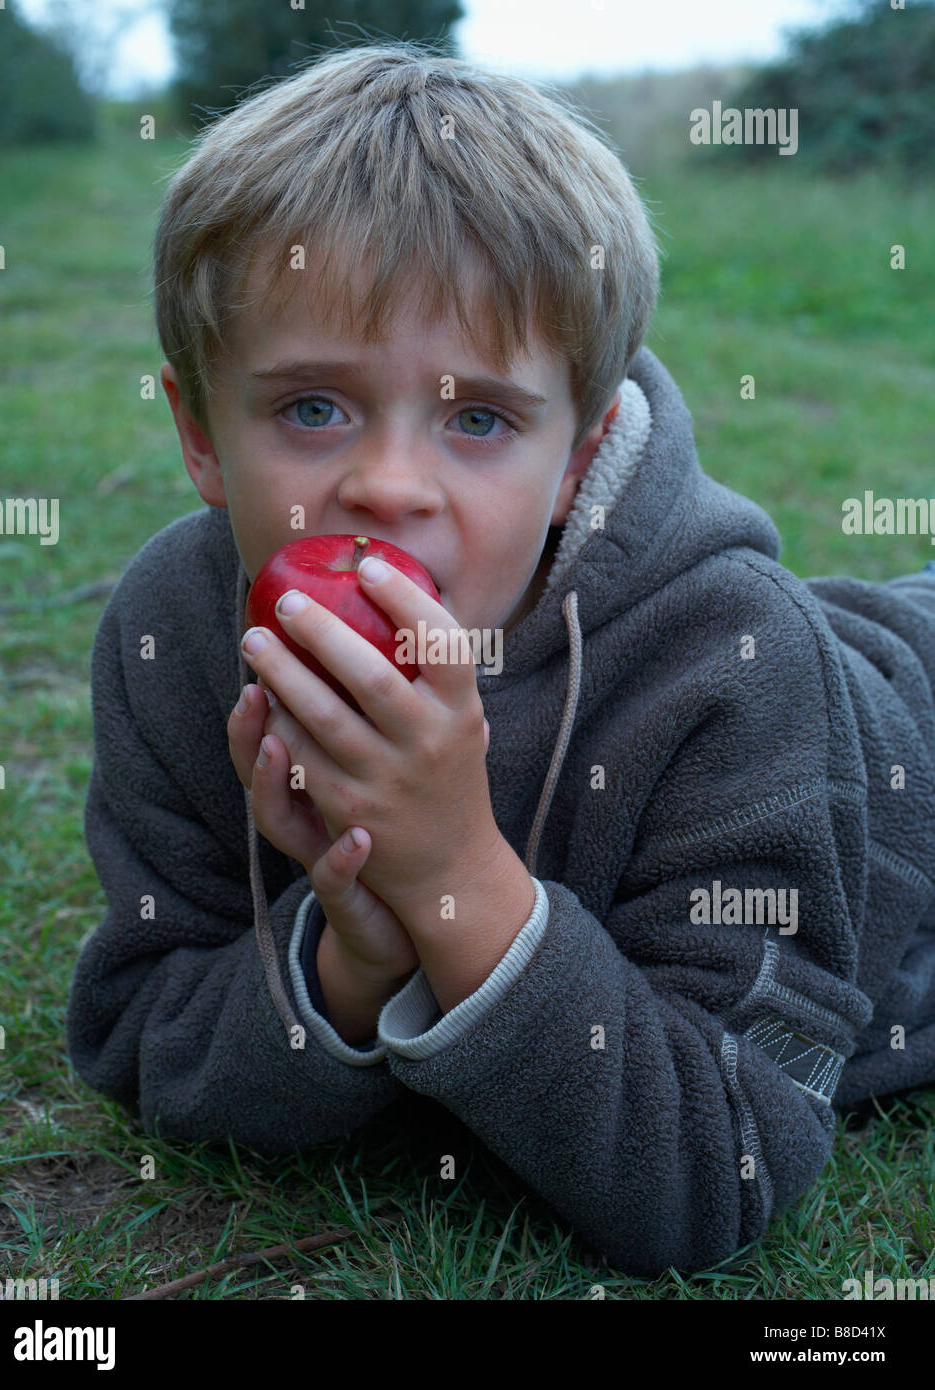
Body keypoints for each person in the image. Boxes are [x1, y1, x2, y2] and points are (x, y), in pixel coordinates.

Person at [65, 43, 935, 1278]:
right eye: (312, 407)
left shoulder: (731, 663)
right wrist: (350, 958)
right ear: (201, 434)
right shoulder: (176, 629)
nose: (386, 485)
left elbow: (724, 1159)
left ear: (576, 458)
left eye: (478, 419)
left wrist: (459, 878)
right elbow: (140, 1027)